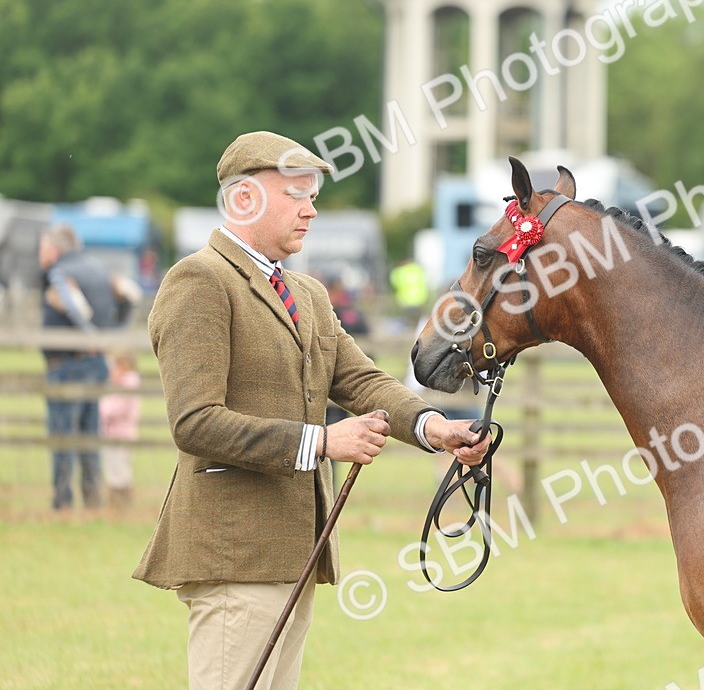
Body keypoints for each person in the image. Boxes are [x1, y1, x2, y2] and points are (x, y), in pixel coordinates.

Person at [132, 131, 491, 690]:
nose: (312, 208)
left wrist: (434, 426)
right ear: (244, 198)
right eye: (296, 194)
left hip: (293, 553)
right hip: (235, 554)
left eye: (312, 194)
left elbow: (362, 380)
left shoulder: (307, 292)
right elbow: (194, 422)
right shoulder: (199, 281)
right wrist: (322, 442)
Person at [40, 223, 119, 510]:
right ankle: (93, 499)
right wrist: (110, 334)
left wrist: (89, 336)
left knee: (63, 435)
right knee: (89, 434)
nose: (41, 253)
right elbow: (128, 298)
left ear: (55, 248)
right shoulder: (99, 269)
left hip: (67, 365)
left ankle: (62, 502)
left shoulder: (60, 272)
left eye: (43, 246)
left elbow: (73, 307)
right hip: (95, 365)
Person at [99, 351, 141, 509]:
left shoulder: (127, 383)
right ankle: (118, 503)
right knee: (116, 468)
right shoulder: (123, 384)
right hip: (117, 432)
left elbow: (113, 409)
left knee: (118, 469)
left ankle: (119, 503)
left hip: (120, 432)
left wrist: (101, 409)